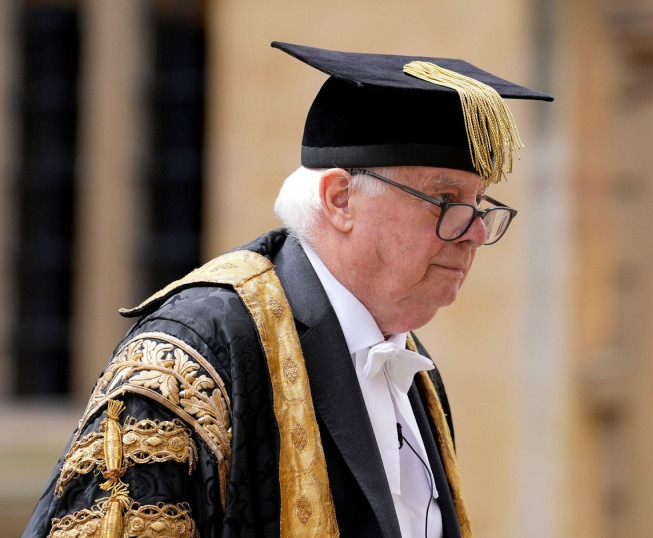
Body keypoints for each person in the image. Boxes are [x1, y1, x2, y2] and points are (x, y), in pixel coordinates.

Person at [23, 41, 552, 538]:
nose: (477, 232)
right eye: (446, 200)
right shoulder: (195, 352)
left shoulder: (409, 364)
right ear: (341, 198)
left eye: (482, 203)